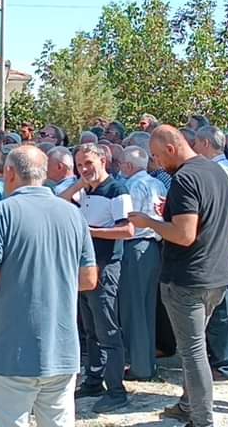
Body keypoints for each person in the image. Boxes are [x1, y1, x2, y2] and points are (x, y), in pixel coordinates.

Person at [0, 145, 97, 427]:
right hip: (61, 350)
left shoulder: (1, 212)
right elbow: (89, 279)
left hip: (12, 351)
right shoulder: (72, 213)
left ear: (9, 172)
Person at [129, 126, 228, 427]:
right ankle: (188, 405)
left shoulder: (185, 178)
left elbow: (184, 235)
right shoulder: (216, 171)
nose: (158, 164)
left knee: (193, 352)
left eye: (158, 156)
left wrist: (149, 221)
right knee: (195, 347)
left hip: (189, 278)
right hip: (215, 274)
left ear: (171, 148)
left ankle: (201, 419)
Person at [71, 143, 133, 413]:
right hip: (86, 267)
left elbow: (127, 230)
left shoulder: (117, 190)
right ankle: (94, 380)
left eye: (88, 163)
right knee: (91, 329)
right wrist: (79, 183)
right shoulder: (86, 190)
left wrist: (90, 232)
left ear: (103, 161)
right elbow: (59, 200)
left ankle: (117, 390)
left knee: (107, 329)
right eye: (79, 165)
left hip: (105, 266)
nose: (84, 169)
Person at [194, 125, 228, 380]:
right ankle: (219, 360)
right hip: (220, 242)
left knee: (218, 306)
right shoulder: (224, 169)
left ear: (205, 144)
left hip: (218, 245)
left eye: (196, 143)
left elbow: (225, 211)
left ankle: (222, 364)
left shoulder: (220, 170)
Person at [119, 146, 165, 381]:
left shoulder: (132, 186)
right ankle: (147, 361)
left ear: (128, 166)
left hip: (135, 245)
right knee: (147, 308)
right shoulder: (157, 184)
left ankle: (140, 366)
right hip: (153, 246)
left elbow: (128, 221)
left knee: (134, 309)